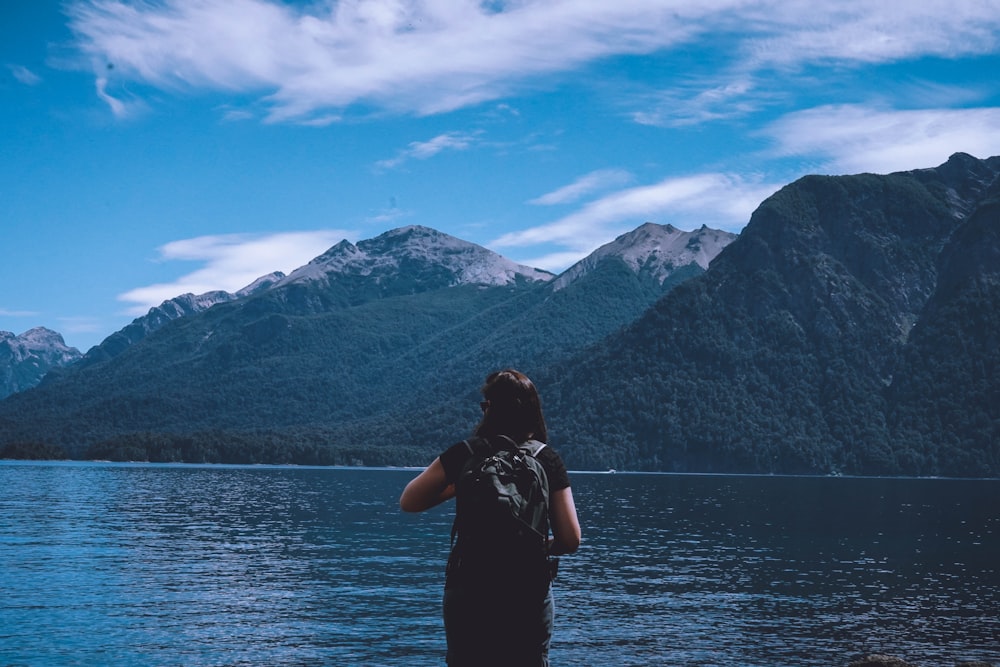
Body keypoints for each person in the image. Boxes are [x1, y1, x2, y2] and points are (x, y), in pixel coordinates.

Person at [400, 369, 582, 667]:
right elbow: (571, 539)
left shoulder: (466, 453)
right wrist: (538, 546)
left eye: (485, 405)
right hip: (528, 591)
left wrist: (459, 485)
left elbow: (410, 501)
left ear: (490, 409)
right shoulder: (547, 459)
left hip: (469, 587)